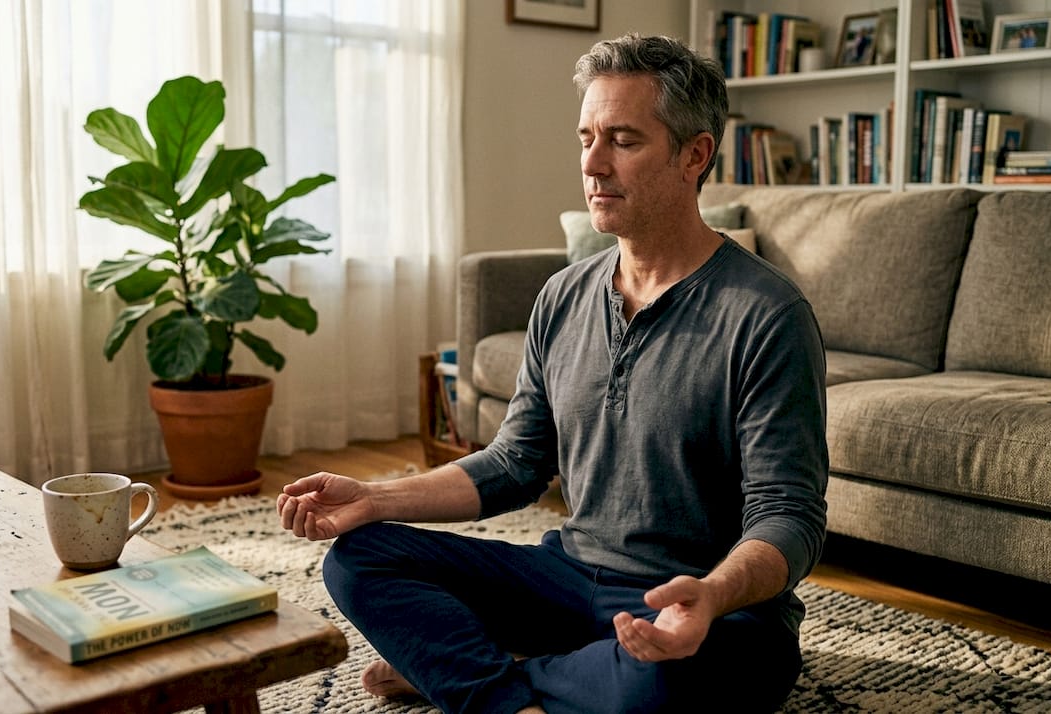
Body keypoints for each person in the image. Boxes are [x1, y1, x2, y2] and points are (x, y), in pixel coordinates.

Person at [278, 33, 828, 713]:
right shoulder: (564, 295)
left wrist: (712, 594)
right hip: (566, 580)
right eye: (586, 138)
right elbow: (516, 464)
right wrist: (375, 499)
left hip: (699, 609)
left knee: (667, 681)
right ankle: (537, 682)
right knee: (359, 559)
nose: (593, 165)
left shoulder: (766, 314)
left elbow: (790, 516)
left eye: (623, 140)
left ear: (695, 155)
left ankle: (476, 675)